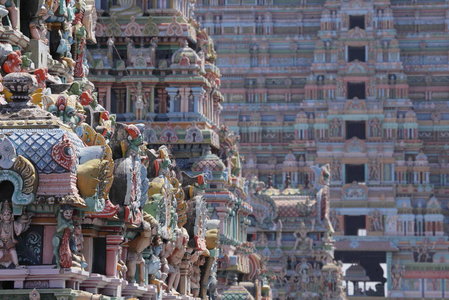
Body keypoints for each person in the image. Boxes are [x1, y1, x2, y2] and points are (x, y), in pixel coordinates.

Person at [0, 201, 32, 268]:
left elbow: (18, 231)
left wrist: (22, 220)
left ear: (11, 215)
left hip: (9, 242)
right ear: (1, 216)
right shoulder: (1, 224)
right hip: (1, 243)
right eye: (4, 214)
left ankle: (17, 265)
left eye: (8, 214)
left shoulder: (13, 223)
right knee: (0, 254)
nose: (6, 216)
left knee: (13, 252)